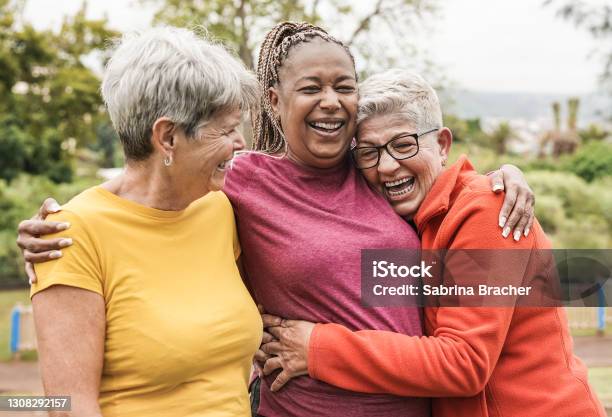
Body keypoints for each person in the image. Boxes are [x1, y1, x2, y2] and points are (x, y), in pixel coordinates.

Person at [18, 23, 536, 417]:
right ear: (274, 100)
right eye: (310, 88)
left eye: (344, 86)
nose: (330, 102)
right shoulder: (236, 186)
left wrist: (501, 180)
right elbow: (144, 197)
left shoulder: (376, 171)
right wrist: (53, 228)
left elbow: (438, 187)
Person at [256, 69, 606, 417]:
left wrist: (318, 348)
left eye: (404, 145)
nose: (388, 166)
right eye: (369, 153)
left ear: (442, 145)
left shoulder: (485, 211)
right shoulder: (411, 221)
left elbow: (464, 363)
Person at [24, 27, 263, 417]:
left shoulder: (220, 207)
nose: (240, 144)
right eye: (226, 130)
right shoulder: (69, 236)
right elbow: (68, 406)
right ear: (167, 137)